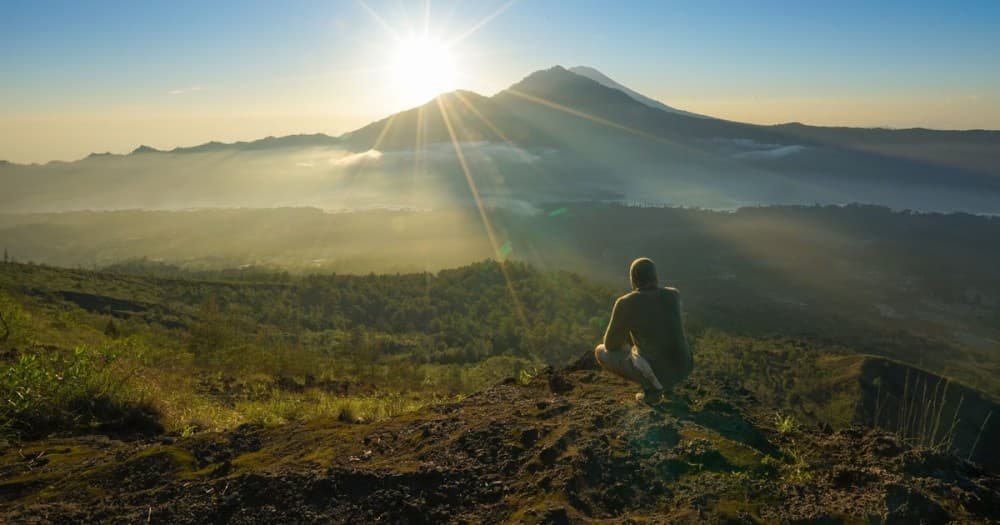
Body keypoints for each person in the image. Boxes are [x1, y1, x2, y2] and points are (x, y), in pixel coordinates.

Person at [594, 257, 693, 405]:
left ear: (632, 279)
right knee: (654, 340)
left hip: (657, 372)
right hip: (684, 366)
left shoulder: (626, 303)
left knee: (600, 352)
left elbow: (611, 345)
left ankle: (651, 390)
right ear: (655, 277)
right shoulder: (673, 295)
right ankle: (668, 388)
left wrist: (626, 330)